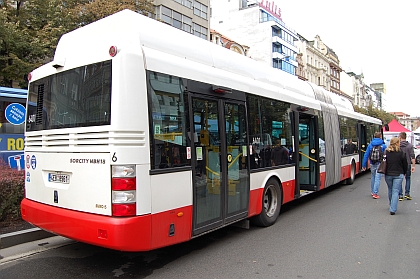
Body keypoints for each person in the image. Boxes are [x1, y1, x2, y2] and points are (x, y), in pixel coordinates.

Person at [384, 137, 408, 215]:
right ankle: (393, 209)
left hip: (388, 173)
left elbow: (383, 162)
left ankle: (391, 205)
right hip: (398, 173)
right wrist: (404, 172)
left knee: (390, 189)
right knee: (395, 191)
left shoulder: (386, 152)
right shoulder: (401, 152)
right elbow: (405, 164)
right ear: (397, 143)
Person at [362, 132, 387, 199]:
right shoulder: (383, 145)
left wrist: (364, 165)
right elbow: (386, 155)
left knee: (373, 176)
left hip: (372, 163)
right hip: (380, 163)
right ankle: (375, 193)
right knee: (378, 178)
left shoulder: (370, 145)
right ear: (380, 137)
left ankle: (372, 191)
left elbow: (366, 155)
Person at [398, 132, 415, 200]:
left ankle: (400, 195)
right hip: (407, 164)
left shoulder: (398, 145)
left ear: (400, 137)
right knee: (408, 178)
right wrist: (413, 165)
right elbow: (412, 156)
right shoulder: (410, 145)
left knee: (399, 179)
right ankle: (407, 193)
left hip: (399, 164)